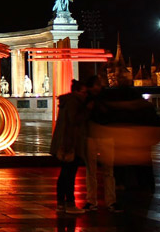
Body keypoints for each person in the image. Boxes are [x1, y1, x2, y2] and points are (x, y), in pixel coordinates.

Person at [49, 80, 89, 213]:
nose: (85, 95)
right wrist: (87, 110)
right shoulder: (74, 102)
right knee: (69, 175)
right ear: (77, 91)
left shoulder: (67, 102)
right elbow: (74, 121)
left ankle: (61, 204)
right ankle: (70, 204)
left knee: (64, 174)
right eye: (84, 92)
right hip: (70, 144)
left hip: (64, 142)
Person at [84, 75, 119, 212]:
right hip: (94, 136)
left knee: (107, 171)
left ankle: (110, 201)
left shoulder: (107, 98)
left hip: (104, 136)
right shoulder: (87, 99)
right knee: (92, 171)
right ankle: (92, 201)